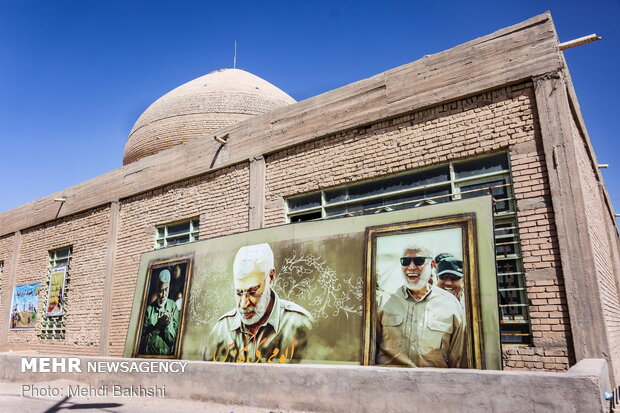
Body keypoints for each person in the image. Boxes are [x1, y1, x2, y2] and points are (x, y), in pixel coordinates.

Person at [204, 243, 313, 363]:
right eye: (239, 293)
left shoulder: (299, 325)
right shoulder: (222, 329)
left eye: (253, 292)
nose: (243, 304)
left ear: (271, 278)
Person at [376, 246, 465, 368]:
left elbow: (458, 360)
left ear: (432, 264)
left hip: (433, 384)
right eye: (406, 261)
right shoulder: (383, 301)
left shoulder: (451, 305)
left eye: (419, 261)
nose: (411, 267)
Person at [140, 269, 180, 355]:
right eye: (160, 291)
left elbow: (173, 341)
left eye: (166, 290)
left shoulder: (173, 306)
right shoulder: (148, 310)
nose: (163, 295)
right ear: (156, 289)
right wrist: (158, 325)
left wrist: (167, 324)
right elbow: (142, 344)